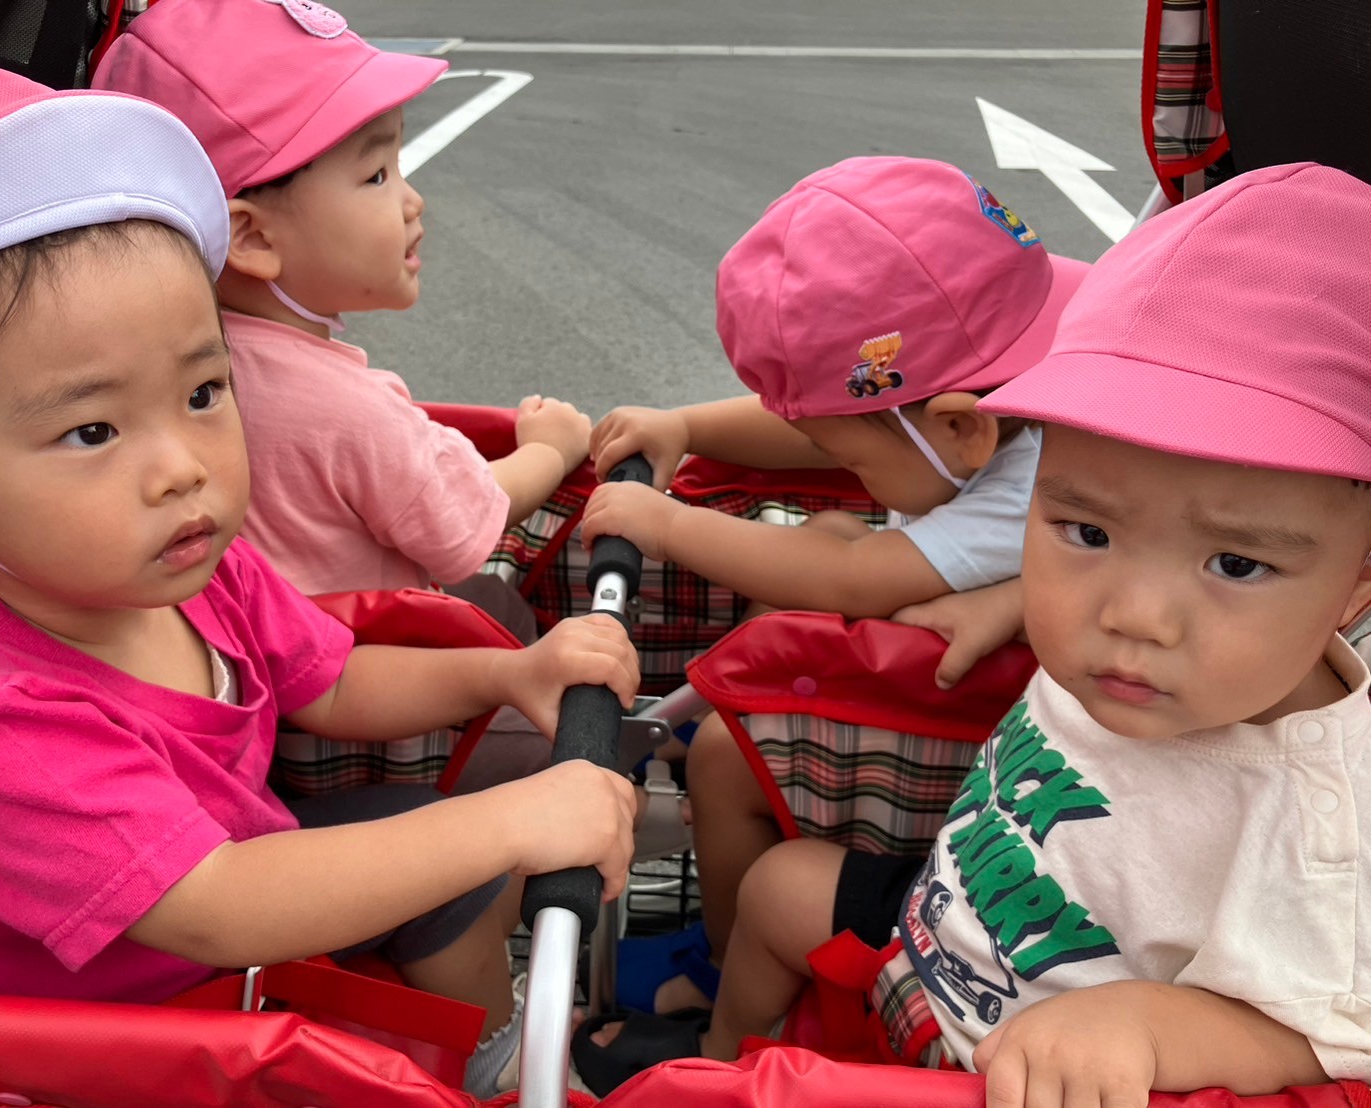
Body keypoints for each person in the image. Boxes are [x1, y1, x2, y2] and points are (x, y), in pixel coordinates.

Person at [0, 67, 637, 1100]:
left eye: (203, 392)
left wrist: (507, 674)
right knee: (462, 839)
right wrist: (513, 821)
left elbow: (331, 678)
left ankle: (489, 1053)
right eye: (93, 430)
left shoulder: (186, 572)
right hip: (101, 1050)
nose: (181, 467)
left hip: (231, 949)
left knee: (434, 850)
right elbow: (216, 901)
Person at [572, 161, 1371, 1108]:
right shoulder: (1151, 654)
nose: (1130, 615)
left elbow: (1337, 1026)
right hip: (947, 926)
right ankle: (721, 1048)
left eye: (1235, 565)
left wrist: (1144, 1024)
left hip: (1008, 1063)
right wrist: (1011, 600)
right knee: (780, 884)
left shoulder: (1321, 818)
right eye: (1086, 533)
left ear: (1357, 582)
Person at [583, 155, 1089, 1015]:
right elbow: (828, 429)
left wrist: (665, 525)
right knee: (824, 529)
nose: (831, 460)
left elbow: (855, 580)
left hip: (991, 733)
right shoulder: (1013, 384)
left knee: (724, 757)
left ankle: (724, 964)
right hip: (963, 683)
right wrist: (687, 426)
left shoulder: (1032, 488)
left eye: (843, 458)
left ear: (958, 427)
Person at [91, 0, 590, 610]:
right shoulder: (344, 410)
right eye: (377, 175)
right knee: (504, 608)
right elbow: (463, 523)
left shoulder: (175, 379)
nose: (413, 201)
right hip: (367, 655)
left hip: (258, 647)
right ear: (253, 237)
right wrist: (550, 448)